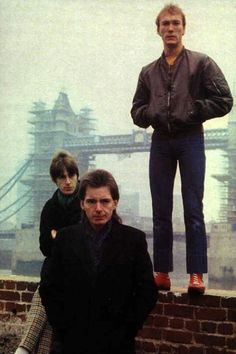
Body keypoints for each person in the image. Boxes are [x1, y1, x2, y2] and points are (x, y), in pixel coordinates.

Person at [131, 4, 233, 294]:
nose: (171, 28)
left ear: (184, 28)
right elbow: (136, 111)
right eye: (165, 24)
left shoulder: (202, 64)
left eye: (176, 23)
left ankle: (196, 275)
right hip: (160, 142)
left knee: (193, 208)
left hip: (191, 139)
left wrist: (193, 110)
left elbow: (224, 99)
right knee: (161, 209)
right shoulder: (147, 72)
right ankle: (161, 272)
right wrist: (151, 114)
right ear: (158, 30)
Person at [39, 169, 158, 354]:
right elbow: (49, 287)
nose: (98, 208)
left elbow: (147, 292)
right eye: (91, 201)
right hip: (71, 343)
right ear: (82, 204)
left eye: (105, 201)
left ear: (115, 203)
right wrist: (64, 327)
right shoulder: (65, 239)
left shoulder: (134, 240)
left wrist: (127, 330)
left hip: (117, 344)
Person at [15, 150, 82, 354]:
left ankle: (23, 349)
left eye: (71, 176)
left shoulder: (86, 202)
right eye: (62, 177)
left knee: (46, 292)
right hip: (56, 269)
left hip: (78, 270)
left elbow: (80, 243)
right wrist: (64, 238)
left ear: (77, 176)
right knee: (48, 290)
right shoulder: (49, 207)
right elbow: (45, 246)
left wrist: (58, 235)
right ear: (55, 180)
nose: (68, 181)